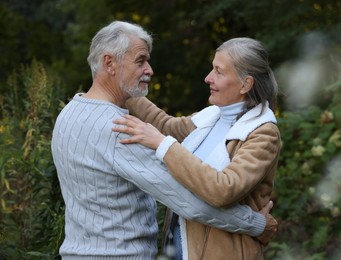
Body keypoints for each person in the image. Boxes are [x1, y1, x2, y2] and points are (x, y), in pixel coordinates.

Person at [51, 21, 277, 260]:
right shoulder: (119, 129)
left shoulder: (70, 113)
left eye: (218, 72)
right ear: (109, 63)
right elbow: (187, 200)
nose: (149, 69)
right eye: (140, 61)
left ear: (246, 83)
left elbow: (169, 132)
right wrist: (257, 224)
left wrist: (124, 91)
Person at [112, 37, 281, 259]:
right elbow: (165, 126)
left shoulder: (263, 133)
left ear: (245, 84)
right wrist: (127, 89)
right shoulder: (213, 116)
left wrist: (162, 144)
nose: (208, 78)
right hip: (179, 244)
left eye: (218, 72)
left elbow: (224, 189)